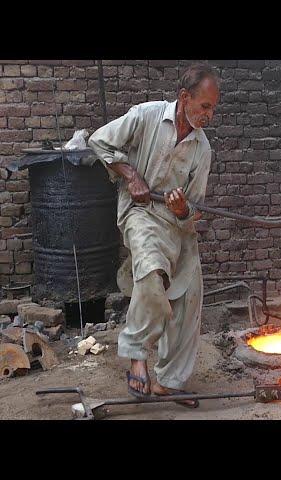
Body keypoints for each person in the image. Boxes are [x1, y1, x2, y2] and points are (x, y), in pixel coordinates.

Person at [88, 63, 220, 408]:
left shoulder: (202, 150)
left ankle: (169, 382)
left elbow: (194, 212)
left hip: (175, 226)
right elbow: (98, 141)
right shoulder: (146, 116)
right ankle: (136, 355)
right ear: (184, 97)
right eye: (204, 106)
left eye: (213, 108)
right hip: (140, 213)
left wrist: (182, 210)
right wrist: (131, 173)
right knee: (151, 272)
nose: (209, 115)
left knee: (190, 295)